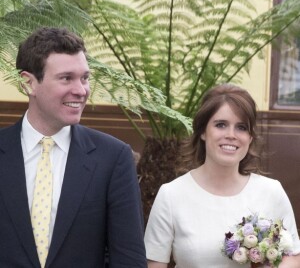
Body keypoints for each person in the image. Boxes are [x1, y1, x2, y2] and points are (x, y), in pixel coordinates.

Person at [0, 27, 147, 267]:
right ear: (28, 83)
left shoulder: (113, 158)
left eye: (85, 78)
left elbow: (129, 259)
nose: (81, 90)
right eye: (66, 78)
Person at [144, 84, 300, 268]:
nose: (231, 135)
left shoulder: (271, 191)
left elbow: (293, 256)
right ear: (203, 131)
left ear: (250, 138)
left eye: (241, 127)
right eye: (221, 125)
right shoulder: (171, 195)